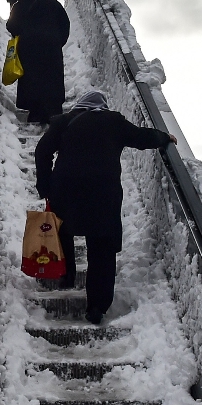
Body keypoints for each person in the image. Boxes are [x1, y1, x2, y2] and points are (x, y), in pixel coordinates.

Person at [34, 91, 175, 324]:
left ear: (80, 107)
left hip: (66, 189)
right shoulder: (113, 122)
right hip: (103, 192)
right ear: (103, 107)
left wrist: (45, 186)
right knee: (102, 247)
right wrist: (164, 137)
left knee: (62, 229)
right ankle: (97, 306)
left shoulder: (64, 122)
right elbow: (141, 137)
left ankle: (66, 274)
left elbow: (42, 151)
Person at [11, 0, 70, 124]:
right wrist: (58, 41)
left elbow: (11, 25)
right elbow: (65, 24)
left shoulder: (19, 6)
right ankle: (54, 111)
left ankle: (36, 113)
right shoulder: (53, 3)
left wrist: (21, 36)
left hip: (29, 48)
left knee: (32, 78)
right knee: (52, 77)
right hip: (52, 47)